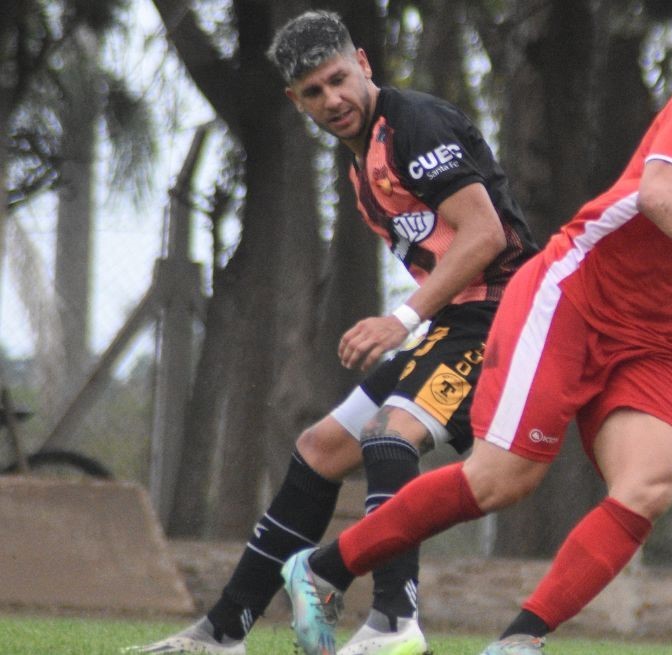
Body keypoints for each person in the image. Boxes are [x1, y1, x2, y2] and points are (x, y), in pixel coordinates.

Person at [278, 2, 672, 654]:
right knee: (500, 480)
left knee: (649, 485)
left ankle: (520, 639)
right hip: (575, 298)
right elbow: (660, 192)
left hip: (656, 339)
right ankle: (322, 568)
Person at [125, 10, 537, 655]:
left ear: (364, 64)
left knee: (389, 436)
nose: (332, 99)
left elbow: (485, 235)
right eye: (313, 92)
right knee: (320, 448)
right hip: (456, 320)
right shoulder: (360, 160)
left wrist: (401, 318)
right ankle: (221, 634)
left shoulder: (414, 124)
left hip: (501, 309)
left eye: (339, 79)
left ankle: (396, 623)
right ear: (296, 101)